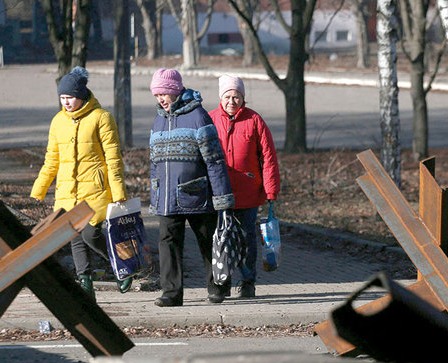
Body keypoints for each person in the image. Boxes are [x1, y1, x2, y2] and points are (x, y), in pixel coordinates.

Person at [30, 66, 133, 297]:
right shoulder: (58, 122)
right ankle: (85, 284)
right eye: (62, 98)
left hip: (95, 190)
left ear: (81, 95)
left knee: (89, 233)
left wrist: (118, 193)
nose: (66, 102)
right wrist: (40, 188)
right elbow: (52, 159)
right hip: (67, 190)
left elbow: (113, 158)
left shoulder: (102, 118)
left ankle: (123, 266)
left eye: (70, 97)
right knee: (74, 235)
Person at [149, 68, 235, 307]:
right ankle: (171, 293)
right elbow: (154, 163)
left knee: (208, 241)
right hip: (167, 197)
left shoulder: (199, 116)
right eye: (157, 95)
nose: (161, 99)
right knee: (167, 243)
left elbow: (214, 160)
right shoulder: (158, 121)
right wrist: (155, 194)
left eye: (164, 94)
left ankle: (217, 287)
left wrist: (222, 197)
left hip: (197, 195)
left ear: (175, 91)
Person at [209, 75, 280, 298]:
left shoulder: (254, 120)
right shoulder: (209, 119)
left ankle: (248, 281)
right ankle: (223, 281)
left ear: (243, 98)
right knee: (222, 239)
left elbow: (268, 157)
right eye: (228, 96)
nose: (232, 101)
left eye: (237, 97)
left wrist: (271, 190)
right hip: (219, 192)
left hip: (248, 192)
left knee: (247, 239)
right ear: (221, 97)